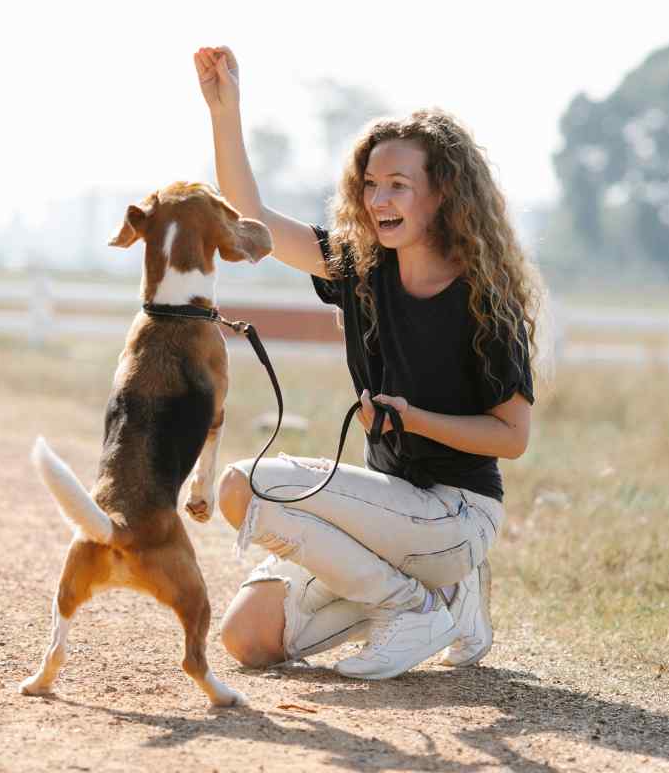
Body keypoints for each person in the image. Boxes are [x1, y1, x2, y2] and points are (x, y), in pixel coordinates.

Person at [193, 45, 545, 680]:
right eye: (371, 184)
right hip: (387, 515)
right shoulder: (359, 268)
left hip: (455, 514)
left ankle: (414, 605)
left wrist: (413, 418)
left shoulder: (486, 301)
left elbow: (513, 438)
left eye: (399, 185)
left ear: (442, 196)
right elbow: (253, 219)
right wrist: (225, 111)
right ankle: (447, 603)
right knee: (247, 639)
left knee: (243, 486)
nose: (380, 198)